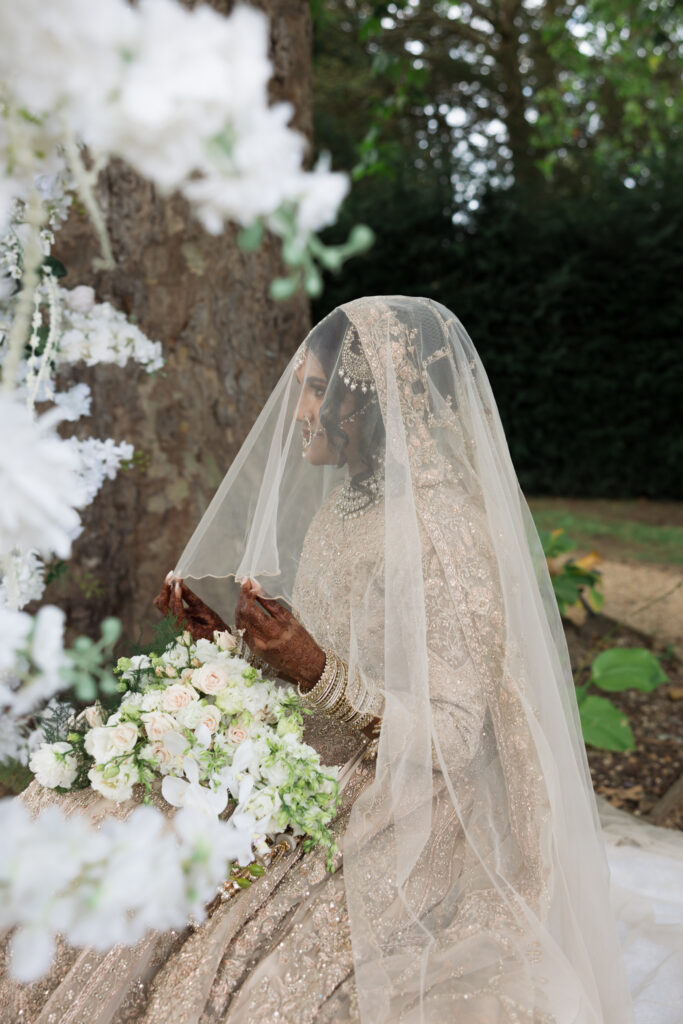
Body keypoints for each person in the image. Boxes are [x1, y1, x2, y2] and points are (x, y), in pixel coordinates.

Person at [3, 296, 682, 1023]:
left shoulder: (445, 532)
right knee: (89, 817)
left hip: (411, 800)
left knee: (232, 955)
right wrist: (228, 647)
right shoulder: (349, 504)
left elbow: (452, 734)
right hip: (314, 749)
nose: (298, 410)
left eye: (318, 389)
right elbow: (325, 655)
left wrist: (316, 672)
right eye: (302, 386)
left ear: (373, 402)